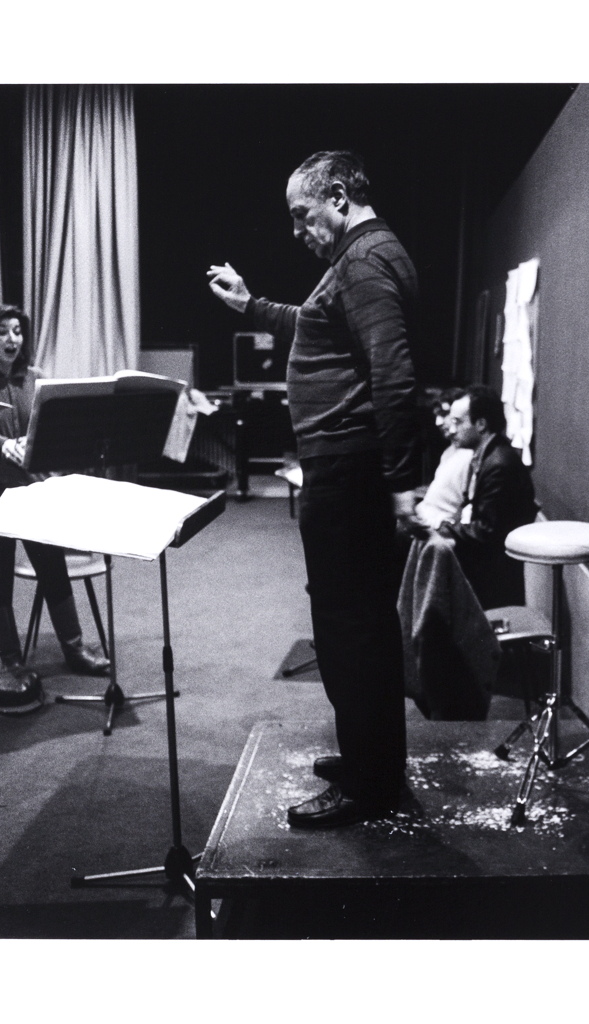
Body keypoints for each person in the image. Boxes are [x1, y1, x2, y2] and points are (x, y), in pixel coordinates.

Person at [208, 151, 421, 828]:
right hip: (348, 469)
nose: (298, 230)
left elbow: (392, 372)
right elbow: (316, 326)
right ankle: (371, 758)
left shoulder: (360, 262)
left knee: (350, 629)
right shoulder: (365, 258)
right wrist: (252, 305)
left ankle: (369, 783)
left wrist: (404, 481)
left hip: (350, 472)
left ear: (336, 195)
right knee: (358, 624)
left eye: (302, 215)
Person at [0, 304, 110, 708]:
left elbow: (48, 424)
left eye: (17, 331)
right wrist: (3, 445)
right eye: (2, 331)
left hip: (33, 489)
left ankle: (75, 649)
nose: (11, 339)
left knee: (52, 566)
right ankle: (11, 663)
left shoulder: (34, 378)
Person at [426, 385, 537, 610]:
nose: (451, 429)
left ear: (481, 424)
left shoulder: (499, 464)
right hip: (491, 564)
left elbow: (487, 531)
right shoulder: (490, 454)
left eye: (458, 421)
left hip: (495, 576)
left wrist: (444, 527)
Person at [411, 386, 471, 530]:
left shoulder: (469, 454)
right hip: (423, 516)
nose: (438, 422)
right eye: (436, 415)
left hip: (439, 526)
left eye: (444, 414)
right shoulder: (449, 451)